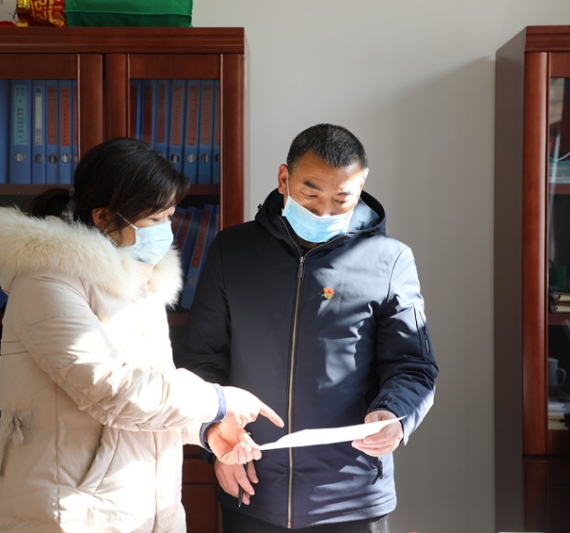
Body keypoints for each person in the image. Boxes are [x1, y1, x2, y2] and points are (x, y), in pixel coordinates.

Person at [0, 137, 283, 533]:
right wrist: (217, 401)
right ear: (103, 217)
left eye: (169, 217)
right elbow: (111, 391)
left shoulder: (139, 281)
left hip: (145, 510)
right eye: (154, 220)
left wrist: (205, 428)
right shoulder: (46, 279)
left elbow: (153, 393)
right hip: (70, 514)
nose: (166, 232)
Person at [175, 124, 438, 532]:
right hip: (252, 485)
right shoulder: (232, 251)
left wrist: (395, 414)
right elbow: (200, 360)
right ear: (284, 179)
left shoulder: (389, 261)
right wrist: (213, 438)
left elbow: (414, 365)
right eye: (311, 195)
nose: (324, 213)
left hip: (353, 496)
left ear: (360, 188)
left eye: (341, 199)